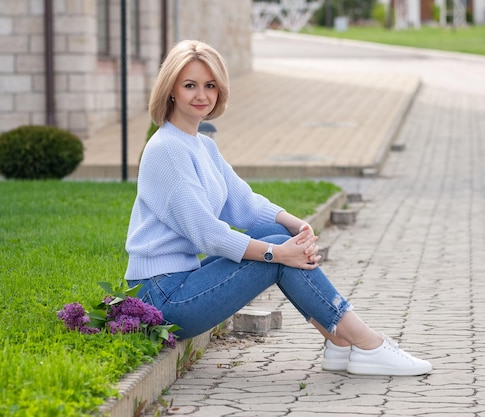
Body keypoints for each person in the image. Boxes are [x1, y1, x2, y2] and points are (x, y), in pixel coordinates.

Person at [124, 39, 432, 376]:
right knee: (278, 256)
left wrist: (294, 223)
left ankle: (340, 343)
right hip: (162, 298)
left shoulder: (201, 146)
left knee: (274, 234)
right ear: (171, 90)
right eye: (190, 86)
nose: (202, 95)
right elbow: (209, 235)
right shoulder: (167, 149)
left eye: (210, 85)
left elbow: (243, 204)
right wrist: (278, 254)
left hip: (180, 282)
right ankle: (367, 343)